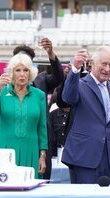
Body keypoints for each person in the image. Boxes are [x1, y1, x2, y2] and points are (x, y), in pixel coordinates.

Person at [0, 53, 48, 179]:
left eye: (26, 70)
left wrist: (43, 155)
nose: (22, 74)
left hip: (31, 150)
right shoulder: (2, 92)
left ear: (31, 73)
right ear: (11, 73)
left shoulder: (39, 95)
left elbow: (42, 127)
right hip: (4, 150)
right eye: (18, 70)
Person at [61, 46, 110, 184]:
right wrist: (75, 70)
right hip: (85, 157)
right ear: (92, 63)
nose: (107, 68)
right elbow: (68, 98)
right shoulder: (79, 84)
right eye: (104, 63)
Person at [12, 38, 64, 179]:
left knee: (42, 181)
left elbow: (59, 77)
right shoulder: (6, 86)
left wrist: (51, 53)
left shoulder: (41, 80)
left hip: (41, 141)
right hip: (15, 141)